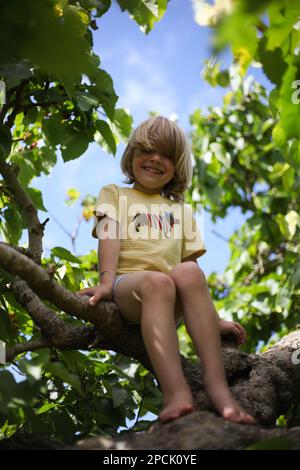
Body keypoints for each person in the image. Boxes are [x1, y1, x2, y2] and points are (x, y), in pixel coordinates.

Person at [76, 116, 255, 424]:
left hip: (170, 302)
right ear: (132, 154)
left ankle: (217, 387)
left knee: (189, 273)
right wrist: (105, 282)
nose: (157, 159)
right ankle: (175, 393)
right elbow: (109, 235)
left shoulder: (182, 211)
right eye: (148, 150)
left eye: (167, 155)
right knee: (158, 282)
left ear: (177, 167)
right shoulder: (115, 194)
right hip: (130, 289)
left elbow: (193, 275)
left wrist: (214, 319)